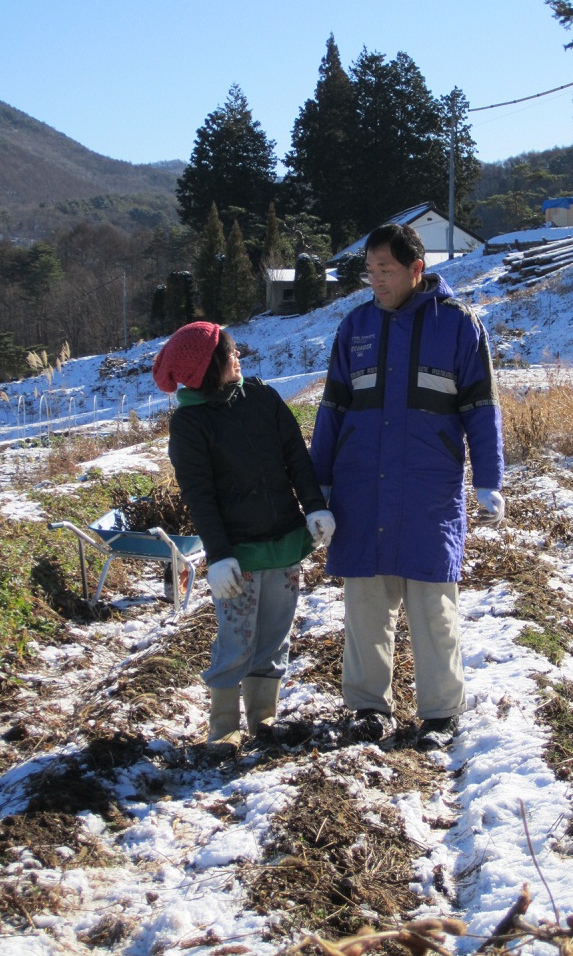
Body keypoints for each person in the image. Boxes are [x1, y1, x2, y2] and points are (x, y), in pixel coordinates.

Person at [310, 223, 504, 749]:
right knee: (366, 607)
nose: (376, 280)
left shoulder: (458, 325)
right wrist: (316, 483)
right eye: (370, 271)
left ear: (417, 269)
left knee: (432, 605)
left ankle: (441, 713)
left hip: (427, 491)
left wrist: (489, 478)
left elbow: (481, 406)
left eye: (386, 270)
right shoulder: (356, 326)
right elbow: (332, 409)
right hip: (361, 488)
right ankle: (368, 707)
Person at [153, 321, 335, 752]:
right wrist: (218, 555)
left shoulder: (262, 397)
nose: (238, 357)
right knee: (236, 639)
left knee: (274, 634)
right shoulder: (190, 423)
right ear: (206, 366)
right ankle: (223, 726)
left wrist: (314, 506)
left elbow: (296, 456)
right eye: (229, 353)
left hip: (285, 542)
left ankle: (263, 717)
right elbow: (199, 495)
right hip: (238, 555)